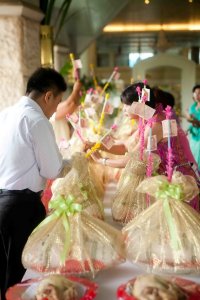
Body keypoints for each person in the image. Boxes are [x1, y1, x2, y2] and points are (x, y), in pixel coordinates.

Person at [0, 67, 71, 300]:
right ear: (48, 96)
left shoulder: (6, 113)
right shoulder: (37, 120)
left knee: (5, 273)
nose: (55, 110)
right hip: (22, 206)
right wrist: (71, 163)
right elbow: (52, 169)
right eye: (58, 102)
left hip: (2, 201)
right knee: (22, 275)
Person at [88, 82, 199, 210]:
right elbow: (125, 145)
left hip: (176, 185)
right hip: (166, 180)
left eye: (126, 105)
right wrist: (97, 145)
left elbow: (132, 159)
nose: (123, 108)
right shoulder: (148, 119)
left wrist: (101, 160)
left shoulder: (156, 123)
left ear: (139, 105)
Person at [186, 84, 200, 169]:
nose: (197, 95)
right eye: (196, 93)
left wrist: (197, 122)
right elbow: (192, 124)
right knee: (193, 160)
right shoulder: (192, 107)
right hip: (194, 138)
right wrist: (187, 130)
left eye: (199, 93)